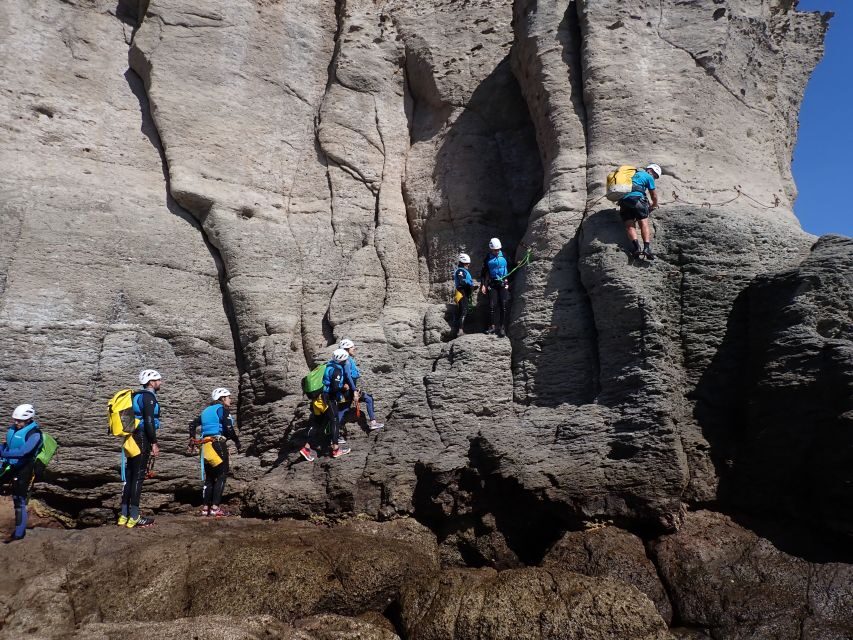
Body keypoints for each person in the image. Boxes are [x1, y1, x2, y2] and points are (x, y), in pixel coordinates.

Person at [117, 369, 161, 528]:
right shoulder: (148, 397)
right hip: (142, 438)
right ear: (151, 382)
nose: (160, 383)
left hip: (131, 437)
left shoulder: (134, 396)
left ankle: (123, 516)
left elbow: (129, 420)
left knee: (130, 475)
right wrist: (154, 443)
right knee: (138, 477)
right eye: (158, 380)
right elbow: (149, 421)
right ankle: (134, 516)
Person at [188, 388, 241, 517]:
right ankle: (215, 508)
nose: (230, 400)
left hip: (205, 446)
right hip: (217, 443)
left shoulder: (206, 411)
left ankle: (206, 508)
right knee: (222, 475)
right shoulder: (222, 409)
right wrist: (236, 441)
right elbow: (229, 428)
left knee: (210, 477)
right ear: (222, 398)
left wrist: (192, 439)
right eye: (228, 397)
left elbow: (192, 425)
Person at [0, 405, 44, 542]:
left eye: (20, 421)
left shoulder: (35, 434)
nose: (16, 423)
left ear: (29, 419)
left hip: (25, 468)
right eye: (15, 420)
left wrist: (3, 452)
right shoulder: (14, 429)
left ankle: (19, 534)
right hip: (10, 464)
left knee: (19, 500)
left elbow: (23, 452)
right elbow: (8, 444)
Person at [300, 349, 351, 460]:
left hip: (317, 400)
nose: (347, 361)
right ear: (342, 359)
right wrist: (344, 388)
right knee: (335, 421)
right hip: (327, 400)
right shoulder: (337, 370)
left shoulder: (328, 365)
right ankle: (336, 449)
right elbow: (335, 387)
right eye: (346, 359)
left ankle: (306, 448)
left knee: (318, 424)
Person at [339, 339, 384, 431]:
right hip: (348, 390)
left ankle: (335, 435)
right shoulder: (346, 361)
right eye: (352, 347)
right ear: (346, 349)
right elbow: (348, 376)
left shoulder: (346, 359)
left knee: (344, 409)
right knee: (368, 399)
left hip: (348, 390)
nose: (354, 348)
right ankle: (335, 435)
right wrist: (354, 390)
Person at [619, 163, 661, 260]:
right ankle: (646, 248)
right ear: (651, 170)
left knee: (629, 225)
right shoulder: (648, 176)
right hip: (637, 200)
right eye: (655, 175)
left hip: (624, 201)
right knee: (643, 223)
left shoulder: (631, 175)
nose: (654, 178)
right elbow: (653, 195)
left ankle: (636, 247)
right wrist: (654, 204)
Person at [480, 238, 510, 338]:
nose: (496, 252)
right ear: (491, 249)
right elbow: (484, 273)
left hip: (503, 283)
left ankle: (502, 328)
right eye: (494, 250)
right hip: (492, 284)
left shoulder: (504, 256)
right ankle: (492, 327)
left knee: (503, 305)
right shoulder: (488, 258)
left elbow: (510, 267)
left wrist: (508, 281)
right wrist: (483, 285)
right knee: (492, 306)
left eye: (498, 250)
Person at [451, 254, 474, 338]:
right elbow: (461, 282)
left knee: (463, 310)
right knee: (463, 311)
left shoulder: (463, 271)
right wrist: (469, 285)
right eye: (467, 263)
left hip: (463, 292)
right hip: (461, 293)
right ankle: (460, 331)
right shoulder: (460, 271)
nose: (468, 265)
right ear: (463, 263)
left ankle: (460, 329)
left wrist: (472, 287)